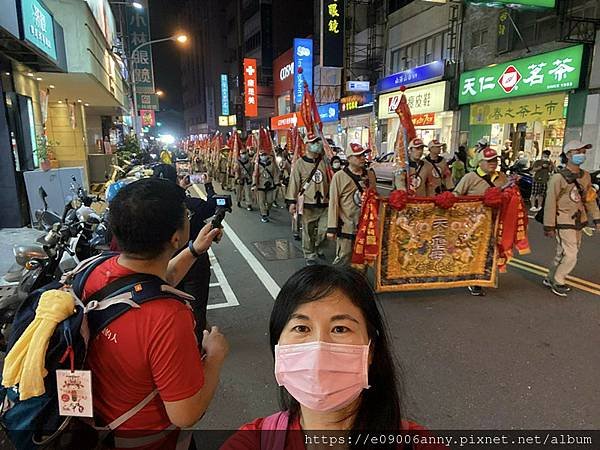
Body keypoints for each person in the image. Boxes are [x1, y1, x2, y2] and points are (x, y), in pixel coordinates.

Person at [222, 265, 444, 450]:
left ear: (371, 350)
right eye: (301, 328)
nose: (319, 348)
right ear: (277, 345)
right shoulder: (253, 442)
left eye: (340, 329)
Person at [83, 178, 228, 449]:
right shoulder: (168, 318)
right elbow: (185, 413)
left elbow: (152, 284)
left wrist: (194, 249)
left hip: (94, 429)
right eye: (185, 214)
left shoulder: (95, 271)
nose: (188, 217)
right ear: (175, 237)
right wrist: (215, 358)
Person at [543, 141, 600, 297]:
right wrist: (549, 226)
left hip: (579, 221)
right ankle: (559, 280)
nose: (582, 154)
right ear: (568, 155)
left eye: (583, 151)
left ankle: (550, 277)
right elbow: (550, 203)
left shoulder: (586, 176)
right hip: (563, 220)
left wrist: (597, 219)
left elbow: (590, 199)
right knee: (571, 254)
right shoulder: (557, 178)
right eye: (578, 151)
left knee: (562, 252)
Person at [454, 146, 509, 297]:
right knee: (474, 251)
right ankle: (474, 280)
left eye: (495, 160)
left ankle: (487, 276)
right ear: (480, 162)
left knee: (491, 251)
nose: (493, 163)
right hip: (473, 224)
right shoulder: (470, 178)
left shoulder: (502, 177)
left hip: (495, 222)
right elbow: (456, 195)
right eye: (489, 160)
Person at [327, 144, 377, 266]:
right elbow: (334, 203)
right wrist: (332, 228)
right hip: (346, 225)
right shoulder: (339, 177)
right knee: (344, 257)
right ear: (349, 158)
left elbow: (375, 198)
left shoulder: (369, 175)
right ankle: (339, 282)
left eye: (363, 155)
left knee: (362, 260)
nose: (362, 158)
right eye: (358, 156)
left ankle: (358, 283)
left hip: (365, 225)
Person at [286, 131, 330, 265]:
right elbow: (294, 183)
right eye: (313, 142)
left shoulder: (325, 161)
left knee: (326, 229)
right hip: (307, 203)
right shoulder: (300, 163)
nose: (317, 145)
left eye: (318, 142)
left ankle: (318, 246)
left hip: (325, 202)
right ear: (306, 145)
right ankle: (309, 254)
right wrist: (292, 202)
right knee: (308, 230)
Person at [253, 130, 280, 223]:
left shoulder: (272, 163)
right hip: (260, 185)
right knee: (261, 201)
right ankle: (263, 214)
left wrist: (277, 183)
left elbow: (276, 173)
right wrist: (254, 184)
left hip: (270, 185)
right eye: (261, 155)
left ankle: (267, 209)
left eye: (264, 154)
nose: (263, 156)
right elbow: (255, 175)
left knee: (270, 201)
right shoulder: (257, 164)